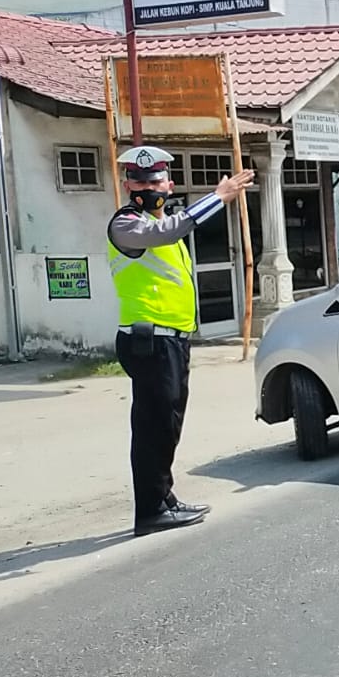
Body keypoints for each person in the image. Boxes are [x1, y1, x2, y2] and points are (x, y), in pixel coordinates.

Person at [108, 145, 254, 536]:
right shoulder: (127, 224)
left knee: (168, 424)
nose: (147, 186)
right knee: (154, 426)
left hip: (171, 341)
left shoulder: (164, 222)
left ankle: (164, 497)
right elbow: (170, 229)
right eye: (139, 180)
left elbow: (172, 229)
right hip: (147, 342)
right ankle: (151, 510)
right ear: (127, 185)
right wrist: (219, 197)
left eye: (154, 180)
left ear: (168, 185)